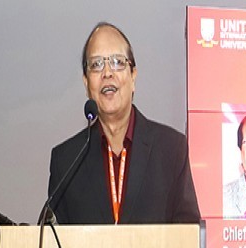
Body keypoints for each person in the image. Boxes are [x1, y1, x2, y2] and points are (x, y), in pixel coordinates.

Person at [48, 22, 200, 224]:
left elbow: (188, 238)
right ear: (86, 83)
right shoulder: (66, 161)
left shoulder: (171, 149)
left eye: (117, 62)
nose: (107, 73)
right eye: (96, 65)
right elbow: (56, 245)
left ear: (133, 76)